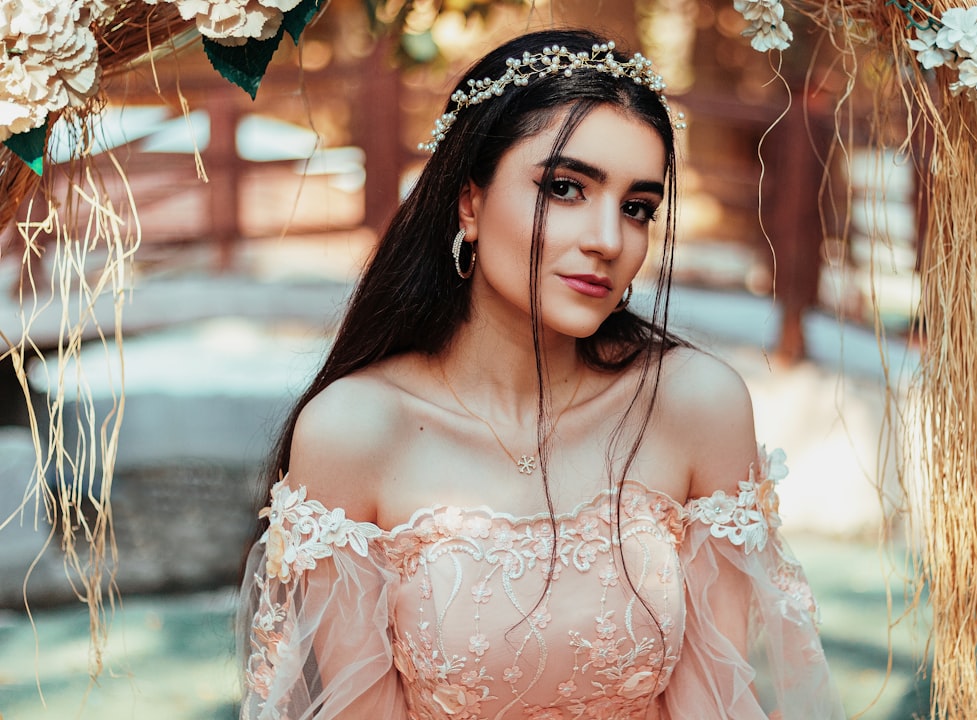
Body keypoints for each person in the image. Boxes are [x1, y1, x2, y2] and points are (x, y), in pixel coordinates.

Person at [238, 27, 845, 719]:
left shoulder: (695, 405)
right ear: (469, 201)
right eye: (564, 188)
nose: (608, 241)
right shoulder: (354, 432)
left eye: (637, 208)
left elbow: (714, 700)